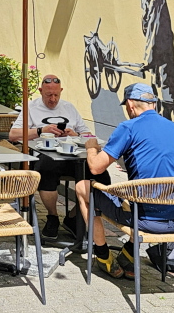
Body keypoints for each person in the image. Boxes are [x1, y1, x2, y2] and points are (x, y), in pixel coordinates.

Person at [76, 82, 174, 279]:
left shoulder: (128, 127)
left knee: (82, 187)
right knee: (131, 199)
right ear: (153, 104)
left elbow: (95, 167)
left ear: (130, 104)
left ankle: (103, 257)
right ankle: (128, 254)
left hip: (147, 221)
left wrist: (91, 147)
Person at [9, 75, 110, 239]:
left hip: (71, 155)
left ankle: (73, 217)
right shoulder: (31, 107)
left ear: (61, 91)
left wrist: (75, 134)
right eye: (48, 95)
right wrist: (41, 131)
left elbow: (88, 134)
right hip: (43, 155)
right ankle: (52, 216)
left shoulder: (69, 107)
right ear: (41, 91)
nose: (53, 99)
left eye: (56, 95)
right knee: (46, 170)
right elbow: (13, 135)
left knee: (101, 177)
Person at [139, 0, 174, 120]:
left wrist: (147, 59)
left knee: (164, 83)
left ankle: (166, 118)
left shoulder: (156, 0)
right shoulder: (150, 1)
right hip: (157, 51)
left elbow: (153, 30)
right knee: (156, 84)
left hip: (161, 50)